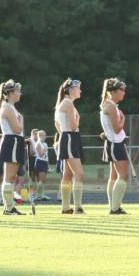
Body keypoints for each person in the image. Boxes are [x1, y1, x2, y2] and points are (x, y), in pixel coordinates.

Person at [55, 78, 84, 214]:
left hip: (68, 137)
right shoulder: (68, 104)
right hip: (70, 137)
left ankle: (66, 207)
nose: (80, 90)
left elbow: (57, 124)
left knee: (67, 175)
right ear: (70, 90)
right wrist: (77, 120)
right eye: (78, 88)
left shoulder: (65, 103)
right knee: (79, 174)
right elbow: (73, 126)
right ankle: (78, 207)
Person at [100, 78, 129, 214]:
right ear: (113, 91)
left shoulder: (110, 105)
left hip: (113, 142)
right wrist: (123, 118)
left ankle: (113, 206)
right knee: (123, 176)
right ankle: (115, 208)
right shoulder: (111, 106)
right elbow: (117, 129)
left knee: (113, 176)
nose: (124, 93)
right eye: (121, 90)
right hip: (115, 143)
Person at [0, 80, 26, 215]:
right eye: (17, 91)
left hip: (16, 141)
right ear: (10, 93)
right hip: (12, 140)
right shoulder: (7, 107)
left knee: (12, 176)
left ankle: (9, 206)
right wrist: (21, 119)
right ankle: (8, 207)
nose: (20, 94)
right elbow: (16, 128)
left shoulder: (12, 107)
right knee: (9, 176)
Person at [33, 130, 50, 201]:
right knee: (40, 180)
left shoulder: (45, 144)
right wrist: (45, 149)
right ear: (39, 136)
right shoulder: (38, 144)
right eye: (43, 135)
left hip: (44, 162)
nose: (44, 137)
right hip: (40, 162)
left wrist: (48, 166)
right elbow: (40, 154)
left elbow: (46, 156)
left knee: (44, 180)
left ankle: (42, 194)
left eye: (45, 135)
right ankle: (38, 195)